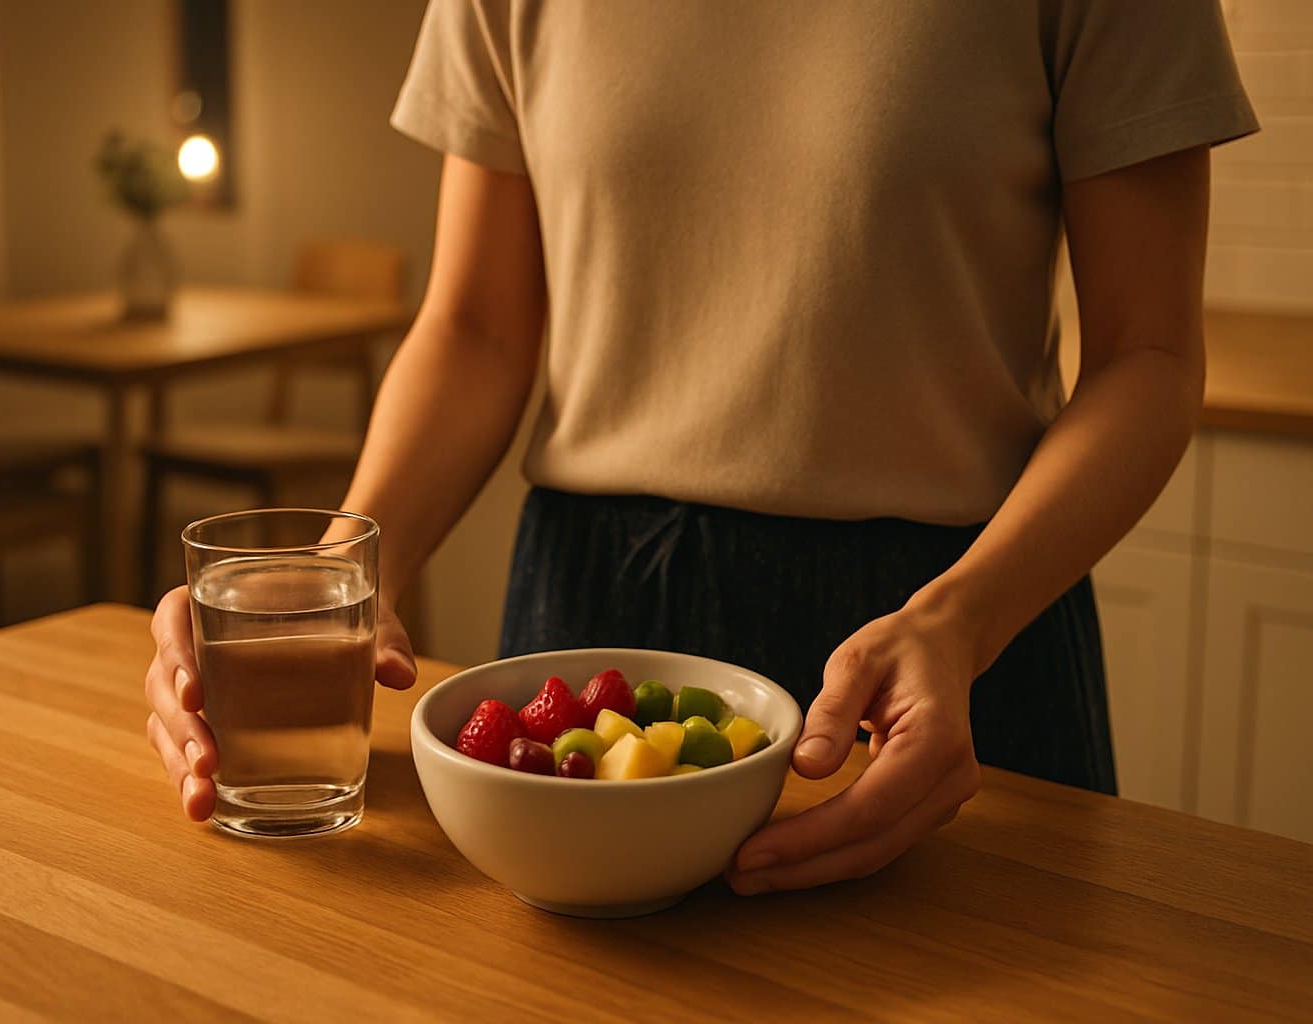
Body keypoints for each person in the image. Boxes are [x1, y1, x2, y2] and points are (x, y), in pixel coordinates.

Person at [144, 2, 1256, 895]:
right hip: (591, 619)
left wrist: (961, 619)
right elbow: (478, 326)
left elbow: (1148, 354)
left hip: (949, 641)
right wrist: (334, 576)